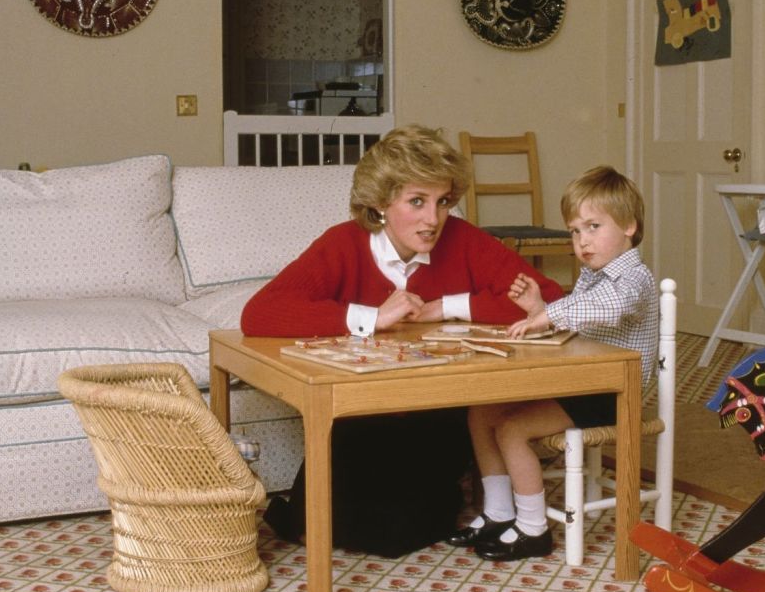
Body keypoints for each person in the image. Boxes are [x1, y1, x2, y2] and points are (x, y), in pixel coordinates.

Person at [241, 124, 563, 556]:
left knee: (401, 535)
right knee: (316, 521)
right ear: (380, 202)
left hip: (435, 413)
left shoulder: (462, 239)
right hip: (362, 412)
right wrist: (373, 316)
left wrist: (448, 305)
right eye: (417, 202)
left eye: (443, 202)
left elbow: (549, 299)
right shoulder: (344, 243)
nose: (433, 219)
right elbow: (260, 313)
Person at [447, 165, 658, 561]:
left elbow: (609, 308)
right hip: (581, 383)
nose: (583, 241)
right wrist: (540, 309)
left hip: (612, 392)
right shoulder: (592, 276)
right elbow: (579, 322)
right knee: (481, 410)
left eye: (594, 227)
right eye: (576, 231)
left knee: (512, 430)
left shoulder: (634, 279)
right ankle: (498, 512)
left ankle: (533, 530)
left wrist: (550, 315)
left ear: (629, 226)